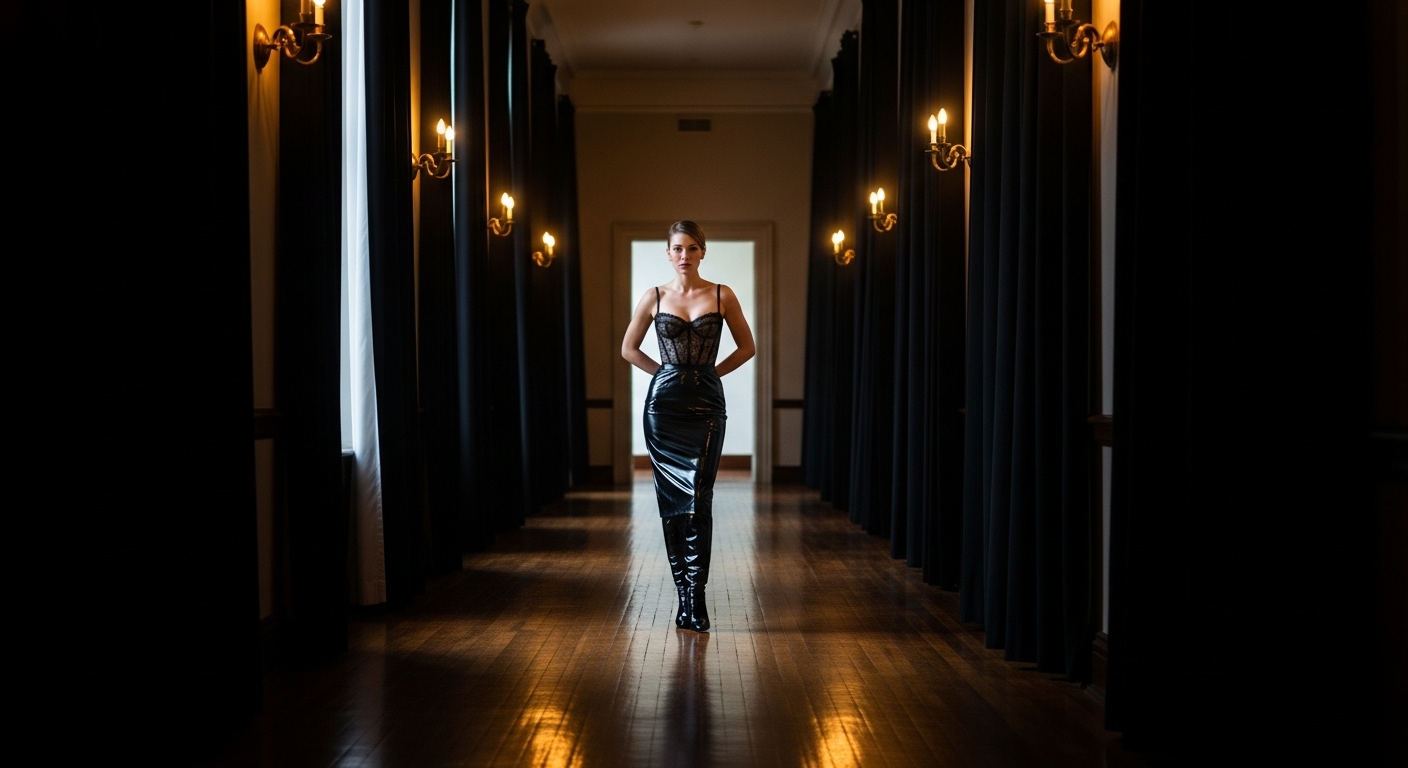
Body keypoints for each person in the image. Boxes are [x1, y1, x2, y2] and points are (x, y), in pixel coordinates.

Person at [621, 221, 755, 632]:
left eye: (692, 248)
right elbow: (628, 349)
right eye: (678, 248)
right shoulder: (654, 296)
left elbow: (747, 347)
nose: (685, 255)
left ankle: (696, 597)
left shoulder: (722, 294)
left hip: (706, 407)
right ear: (668, 253)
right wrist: (666, 375)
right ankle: (685, 598)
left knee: (699, 499)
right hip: (663, 409)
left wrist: (709, 374)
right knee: (673, 508)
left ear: (702, 252)